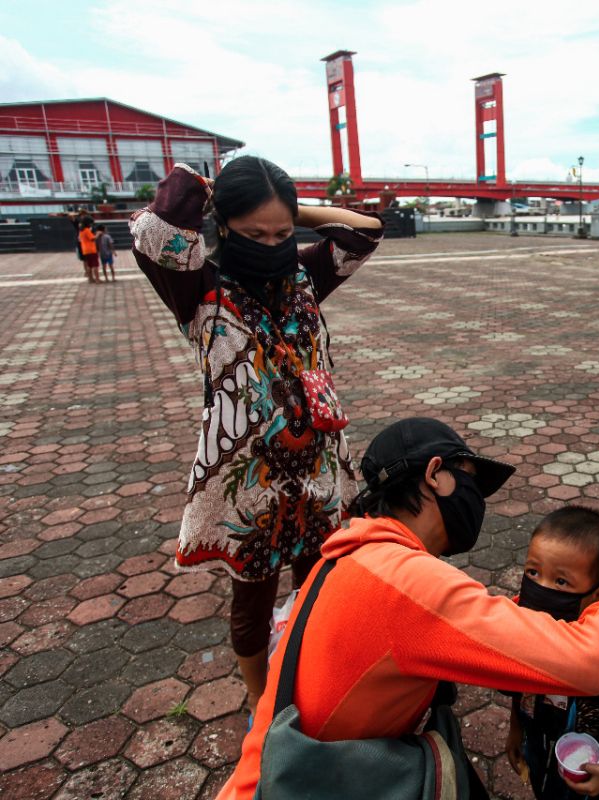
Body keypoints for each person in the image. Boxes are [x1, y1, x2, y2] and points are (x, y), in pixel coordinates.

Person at [217, 417, 599, 799]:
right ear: (436, 474)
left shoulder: (346, 554)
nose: (475, 501)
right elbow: (594, 661)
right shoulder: (407, 585)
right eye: (471, 483)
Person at [128, 157, 383, 710]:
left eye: (283, 234)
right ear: (224, 227)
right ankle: (263, 704)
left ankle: (313, 671)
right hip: (251, 480)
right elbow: (155, 229)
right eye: (254, 233)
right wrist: (212, 194)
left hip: (318, 463)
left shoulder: (303, 278)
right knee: (253, 601)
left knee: (320, 583)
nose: (271, 245)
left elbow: (365, 232)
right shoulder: (196, 287)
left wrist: (289, 211)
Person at [506, 506, 599, 800]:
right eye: (533, 572)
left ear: (597, 597)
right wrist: (516, 732)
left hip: (594, 766)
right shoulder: (522, 637)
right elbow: (516, 690)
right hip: (542, 745)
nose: (540, 588)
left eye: (561, 582)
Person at [78, 216, 99, 283]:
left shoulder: (81, 231)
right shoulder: (87, 230)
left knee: (89, 265)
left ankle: (90, 279)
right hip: (91, 250)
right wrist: (98, 234)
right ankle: (97, 279)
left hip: (85, 251)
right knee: (95, 265)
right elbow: (93, 238)